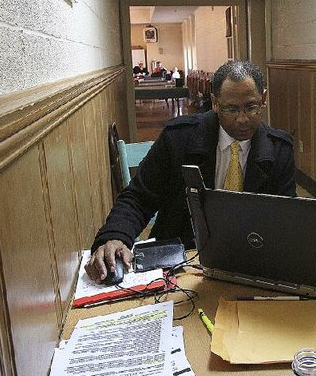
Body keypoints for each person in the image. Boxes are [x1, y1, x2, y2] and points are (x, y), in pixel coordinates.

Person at [86, 60, 297, 283]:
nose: (242, 118)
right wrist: (115, 236)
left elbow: (285, 221)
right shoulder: (178, 138)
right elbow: (138, 198)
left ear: (263, 98)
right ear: (215, 103)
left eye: (252, 107)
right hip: (181, 264)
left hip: (250, 265)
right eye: (231, 109)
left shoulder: (279, 150)